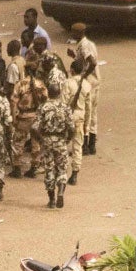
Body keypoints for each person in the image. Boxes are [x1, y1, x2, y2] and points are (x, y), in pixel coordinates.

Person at [32, 83, 74, 209]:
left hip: (47, 140)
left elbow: (34, 127)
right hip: (61, 139)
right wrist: (67, 139)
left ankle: (52, 200)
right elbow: (72, 127)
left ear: (48, 93)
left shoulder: (43, 107)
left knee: (49, 169)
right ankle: (61, 191)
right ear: (59, 93)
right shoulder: (65, 107)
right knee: (62, 168)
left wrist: (40, 140)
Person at [9, 56, 47, 179]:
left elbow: (13, 102)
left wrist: (14, 118)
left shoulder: (20, 84)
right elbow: (45, 100)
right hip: (36, 116)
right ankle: (34, 168)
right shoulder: (40, 84)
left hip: (23, 117)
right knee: (36, 143)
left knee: (18, 142)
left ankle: (17, 168)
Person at [67, 23, 100, 155]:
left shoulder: (85, 46)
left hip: (90, 81)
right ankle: (92, 145)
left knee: (86, 112)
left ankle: (85, 145)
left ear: (80, 33)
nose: (72, 34)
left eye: (74, 32)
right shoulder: (89, 44)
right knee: (93, 113)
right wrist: (74, 56)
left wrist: (83, 76)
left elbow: (92, 62)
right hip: (96, 81)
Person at [62, 58, 93, 186]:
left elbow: (63, 103)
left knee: (63, 144)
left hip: (68, 117)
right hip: (80, 118)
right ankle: (74, 174)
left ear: (72, 70)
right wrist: (87, 125)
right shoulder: (87, 85)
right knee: (77, 147)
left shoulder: (67, 83)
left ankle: (62, 171)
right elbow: (88, 108)